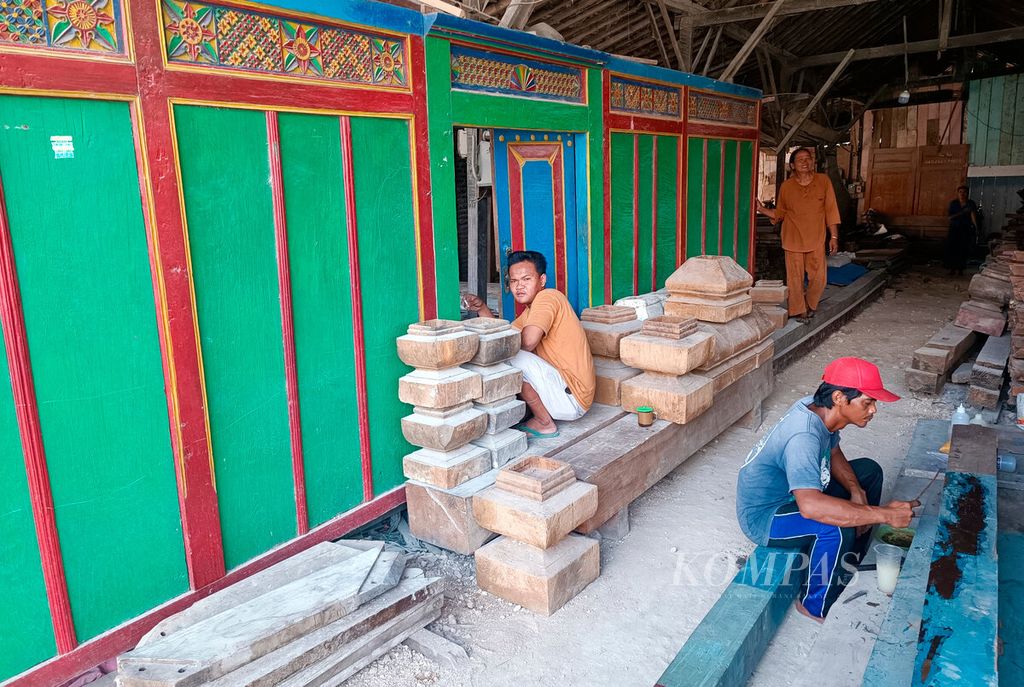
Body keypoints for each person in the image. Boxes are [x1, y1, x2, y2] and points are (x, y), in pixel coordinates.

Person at [735, 357, 917, 622]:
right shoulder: (803, 437)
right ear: (840, 398)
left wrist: (856, 491)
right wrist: (884, 514)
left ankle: (850, 556)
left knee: (868, 471)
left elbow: (832, 449)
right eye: (868, 402)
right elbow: (811, 507)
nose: (874, 410)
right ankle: (814, 605)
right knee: (834, 526)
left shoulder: (817, 408)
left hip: (796, 494)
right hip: (766, 516)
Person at [463, 250, 595, 439]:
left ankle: (544, 422)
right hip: (566, 397)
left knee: (507, 355)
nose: (519, 286)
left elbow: (527, 342)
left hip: (571, 397)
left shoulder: (548, 297)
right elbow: (504, 335)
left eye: (526, 279)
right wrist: (482, 308)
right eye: (514, 281)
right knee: (505, 348)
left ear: (541, 280)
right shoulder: (529, 313)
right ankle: (537, 415)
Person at [755, 148, 840, 324]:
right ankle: (798, 310)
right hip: (792, 238)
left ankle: (809, 304)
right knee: (795, 279)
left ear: (812, 162)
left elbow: (831, 210)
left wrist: (834, 237)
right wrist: (762, 209)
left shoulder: (823, 181)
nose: (804, 162)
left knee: (819, 279)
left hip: (816, 238)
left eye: (808, 158)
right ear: (792, 165)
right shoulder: (787, 187)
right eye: (800, 159)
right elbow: (780, 213)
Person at [945, 184, 978, 276]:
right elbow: (950, 217)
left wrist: (976, 228)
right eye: (960, 192)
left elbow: (973, 216)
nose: (962, 194)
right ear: (957, 193)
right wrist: (962, 212)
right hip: (954, 229)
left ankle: (960, 269)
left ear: (967, 193)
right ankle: (952, 269)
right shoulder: (954, 203)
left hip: (965, 229)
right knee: (952, 248)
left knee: (963, 249)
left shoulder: (971, 203)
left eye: (964, 192)